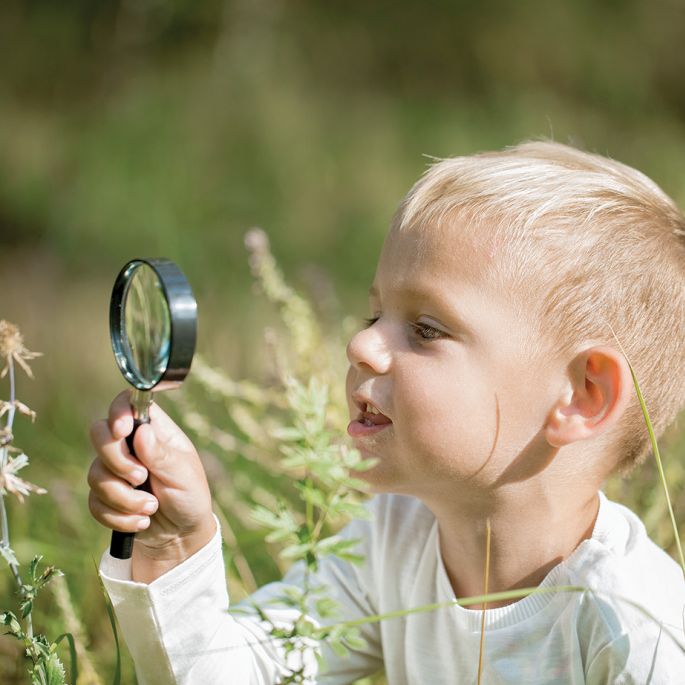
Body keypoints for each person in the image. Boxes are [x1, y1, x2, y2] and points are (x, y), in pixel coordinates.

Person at [88, 140, 685, 684]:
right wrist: (173, 546)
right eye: (375, 316)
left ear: (583, 396)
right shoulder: (392, 543)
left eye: (425, 329)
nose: (360, 345)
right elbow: (241, 673)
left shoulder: (636, 626)